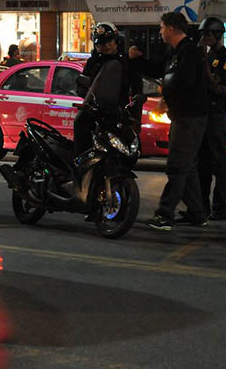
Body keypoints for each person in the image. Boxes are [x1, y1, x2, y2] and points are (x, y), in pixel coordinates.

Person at [130, 12, 209, 231]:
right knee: (187, 167)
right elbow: (158, 70)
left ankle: (164, 214)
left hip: (190, 118)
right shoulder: (175, 52)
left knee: (176, 166)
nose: (160, 32)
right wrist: (138, 61)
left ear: (172, 28)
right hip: (181, 117)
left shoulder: (190, 53)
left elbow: (185, 82)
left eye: (162, 28)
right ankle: (197, 212)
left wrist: (166, 98)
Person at [73, 22, 142, 157]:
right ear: (97, 45)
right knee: (80, 124)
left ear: (116, 41)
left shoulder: (125, 62)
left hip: (117, 113)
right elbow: (82, 85)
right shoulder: (93, 62)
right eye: (102, 43)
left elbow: (136, 87)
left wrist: (137, 102)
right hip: (96, 112)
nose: (107, 45)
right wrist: (87, 96)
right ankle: (80, 169)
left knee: (131, 147)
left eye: (109, 41)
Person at [195, 17, 226, 221]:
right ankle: (202, 206)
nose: (205, 38)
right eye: (203, 35)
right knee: (201, 162)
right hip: (202, 111)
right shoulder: (206, 55)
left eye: (208, 35)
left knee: (218, 161)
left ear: (218, 35)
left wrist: (203, 63)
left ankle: (219, 207)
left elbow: (216, 84)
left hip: (216, 113)